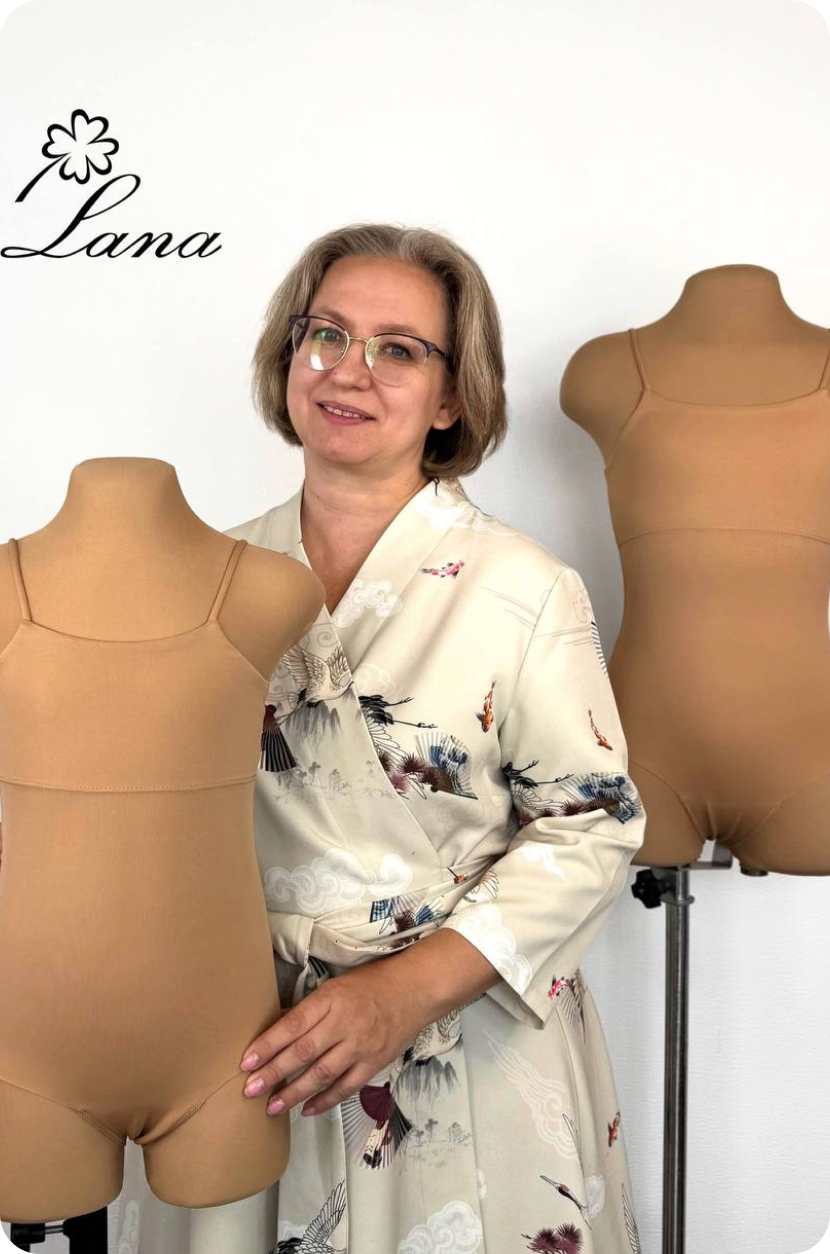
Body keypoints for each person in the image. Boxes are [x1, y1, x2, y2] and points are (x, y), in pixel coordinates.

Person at [104, 220, 647, 1254]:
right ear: (289, 354)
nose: (349, 370)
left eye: (398, 348)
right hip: (242, 1051)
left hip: (460, 1046)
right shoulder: (198, 580)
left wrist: (400, 994)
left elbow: (593, 828)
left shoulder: (523, 588)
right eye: (327, 334)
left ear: (450, 396)